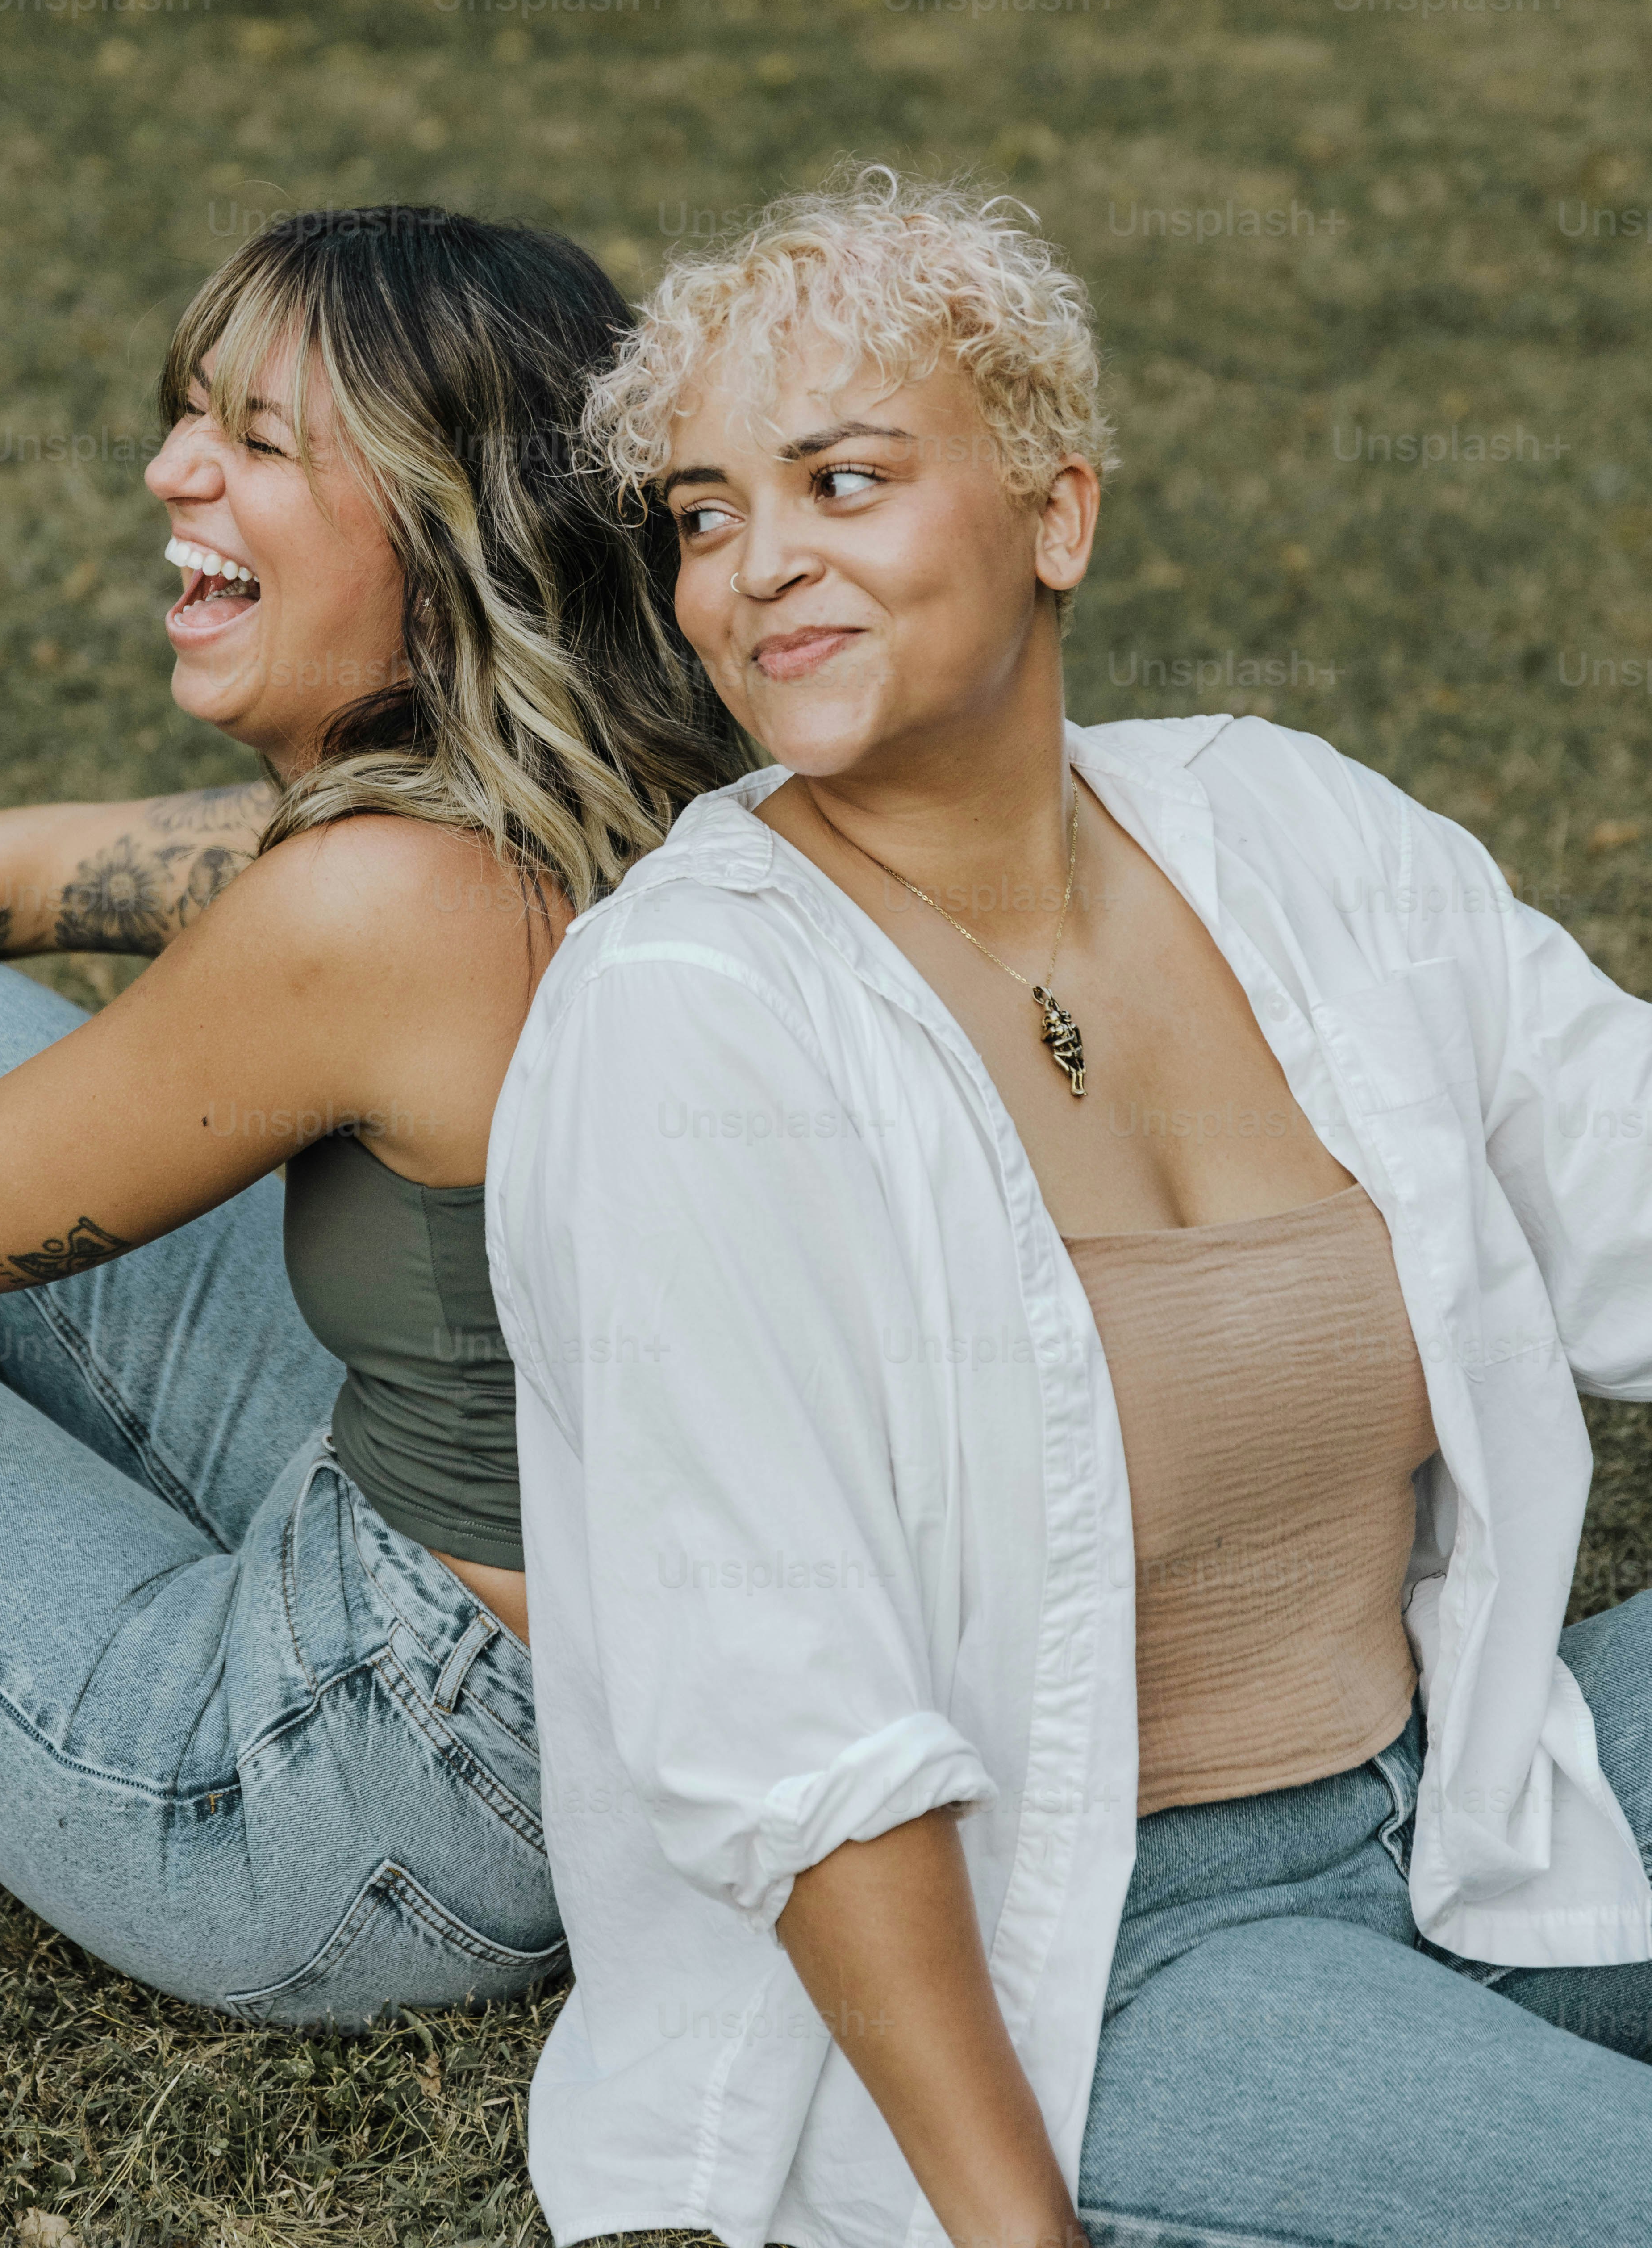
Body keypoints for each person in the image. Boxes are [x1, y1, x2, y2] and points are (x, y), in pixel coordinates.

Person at [486, 166, 1652, 2248]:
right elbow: (786, 1725)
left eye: (840, 481)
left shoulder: (1287, 829)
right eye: (705, 515)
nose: (757, 571)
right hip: (1102, 1960)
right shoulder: (691, 1021)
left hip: (1471, 1776)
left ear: (1057, 514)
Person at [0, 203, 738, 2029]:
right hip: (566, 1668)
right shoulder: (583, 795)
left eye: (249, 440)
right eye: (186, 417)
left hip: (369, 1807)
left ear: (441, 523)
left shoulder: (382, 909)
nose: (166, 469)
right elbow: (25, 876)